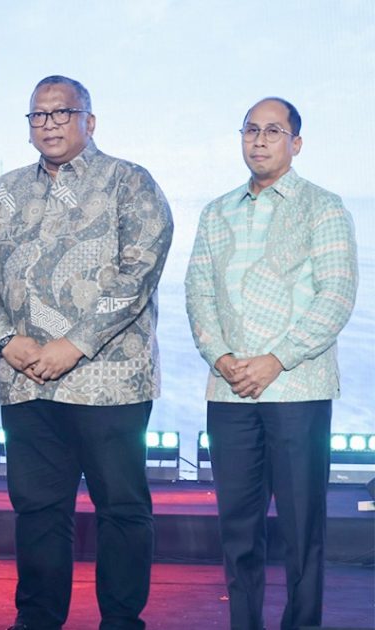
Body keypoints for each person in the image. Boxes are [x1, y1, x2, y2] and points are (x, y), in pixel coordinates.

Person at [0, 75, 173, 630]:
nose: (49, 124)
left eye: (61, 113)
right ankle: (36, 620)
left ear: (88, 121)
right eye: (38, 115)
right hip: (27, 379)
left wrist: (74, 345)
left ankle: (121, 622)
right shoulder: (4, 192)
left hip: (109, 382)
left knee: (121, 509)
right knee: (37, 511)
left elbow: (139, 272)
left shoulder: (128, 182)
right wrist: (6, 340)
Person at [185, 98, 358, 630]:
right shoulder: (216, 212)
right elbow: (198, 293)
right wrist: (221, 356)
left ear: (295, 143)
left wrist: (276, 360)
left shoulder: (323, 207)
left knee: (302, 529)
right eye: (251, 130)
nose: (259, 140)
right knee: (238, 529)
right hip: (230, 389)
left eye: (273, 131)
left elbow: (337, 296)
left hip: (297, 389)